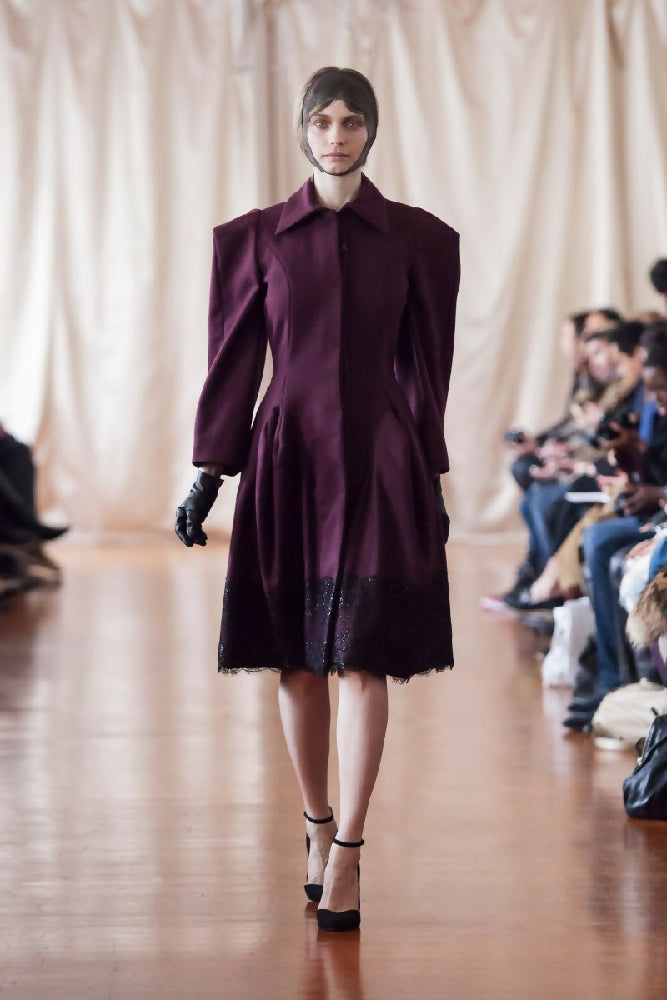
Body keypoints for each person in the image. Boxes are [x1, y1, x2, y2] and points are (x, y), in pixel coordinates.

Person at [175, 67, 460, 932]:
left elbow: (428, 369)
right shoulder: (253, 237)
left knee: (363, 657)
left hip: (380, 456)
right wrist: (210, 471)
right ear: (302, 129)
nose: (336, 136)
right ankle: (315, 821)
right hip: (287, 456)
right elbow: (234, 357)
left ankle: (349, 853)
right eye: (322, 120)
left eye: (351, 121)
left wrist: (430, 473)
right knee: (297, 660)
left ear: (372, 130)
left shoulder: (420, 239)